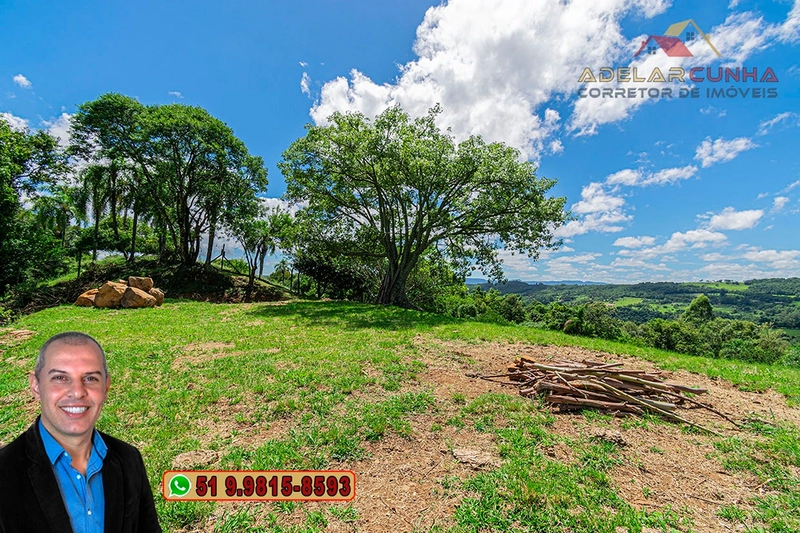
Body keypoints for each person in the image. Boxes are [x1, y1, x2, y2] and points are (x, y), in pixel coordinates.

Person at [0, 331, 162, 533]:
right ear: (36, 386)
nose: (77, 392)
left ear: (106, 386)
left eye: (91, 378)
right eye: (60, 377)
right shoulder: (4, 471)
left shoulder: (129, 460)